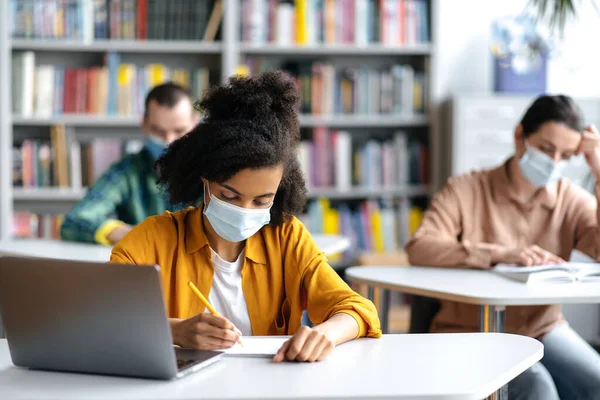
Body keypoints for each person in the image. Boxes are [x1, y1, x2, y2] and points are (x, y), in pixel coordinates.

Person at [110, 71, 381, 362]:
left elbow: (358, 310)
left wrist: (325, 333)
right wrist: (174, 331)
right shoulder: (153, 239)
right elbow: (101, 317)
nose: (244, 211)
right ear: (205, 179)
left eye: (262, 200)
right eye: (229, 196)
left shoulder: (287, 238)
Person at [405, 95, 600, 399]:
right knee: (539, 388)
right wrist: (499, 253)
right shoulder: (466, 188)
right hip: (469, 332)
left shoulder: (569, 199)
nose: (554, 163)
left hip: (542, 328)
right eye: (547, 150)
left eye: (566, 156)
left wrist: (598, 170)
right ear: (520, 137)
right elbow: (420, 247)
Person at [60, 82, 199, 245]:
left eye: (179, 131)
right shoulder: (127, 171)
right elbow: (74, 222)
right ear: (144, 124)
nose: (169, 141)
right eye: (159, 131)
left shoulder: (214, 171)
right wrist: (138, 235)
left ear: (194, 125)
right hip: (144, 267)